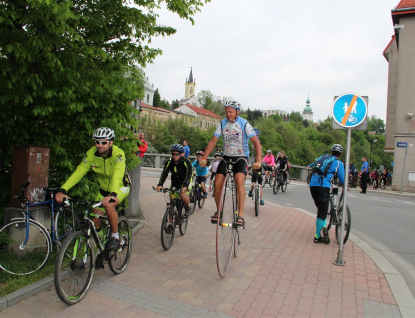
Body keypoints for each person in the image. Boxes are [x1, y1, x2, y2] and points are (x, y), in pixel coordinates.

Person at [55, 127, 131, 251]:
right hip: (103, 191)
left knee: (109, 205)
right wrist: (63, 189)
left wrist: (113, 194)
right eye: (97, 142)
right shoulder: (91, 153)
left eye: (103, 142)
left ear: (111, 142)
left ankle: (115, 236)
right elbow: (80, 171)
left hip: (120, 188)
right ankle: (101, 246)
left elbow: (118, 174)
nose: (99, 145)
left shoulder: (118, 153)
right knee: (95, 221)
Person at [199, 100, 262, 228]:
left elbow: (256, 143)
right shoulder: (222, 123)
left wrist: (258, 160)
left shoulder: (244, 124)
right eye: (226, 111)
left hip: (241, 157)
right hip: (226, 156)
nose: (228, 114)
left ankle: (241, 215)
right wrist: (204, 157)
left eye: (231, 112)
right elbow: (213, 141)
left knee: (239, 180)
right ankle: (219, 211)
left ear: (237, 112)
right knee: (217, 182)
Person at [309, 144, 345, 244]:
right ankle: (317, 236)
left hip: (312, 184)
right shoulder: (338, 163)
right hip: (323, 186)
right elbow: (342, 179)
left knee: (321, 209)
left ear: (331, 151)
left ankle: (324, 226)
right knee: (322, 212)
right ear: (340, 154)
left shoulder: (322, 157)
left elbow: (314, 164)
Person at [156, 144, 192, 218]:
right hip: (175, 183)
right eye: (173, 154)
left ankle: (188, 207)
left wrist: (185, 186)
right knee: (171, 206)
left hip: (186, 182)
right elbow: (164, 173)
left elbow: (189, 174)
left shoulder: (186, 162)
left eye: (176, 154)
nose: (174, 156)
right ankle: (170, 225)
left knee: (182, 195)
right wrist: (160, 184)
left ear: (181, 154)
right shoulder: (169, 162)